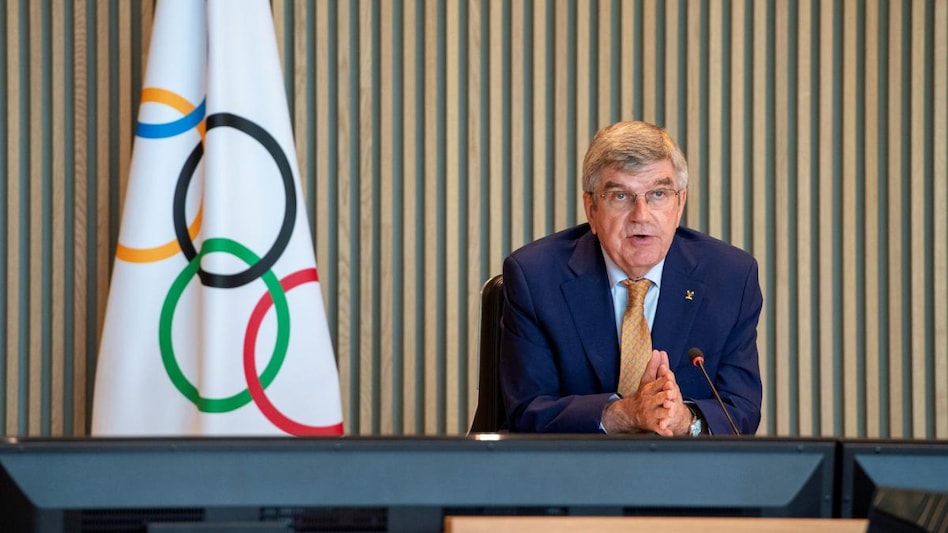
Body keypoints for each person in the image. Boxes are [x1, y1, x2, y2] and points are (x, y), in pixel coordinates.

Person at [499, 120, 762, 436]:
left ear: (679, 205)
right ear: (591, 209)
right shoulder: (536, 277)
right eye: (621, 196)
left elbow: (741, 411)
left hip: (686, 478)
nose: (641, 214)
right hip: (572, 475)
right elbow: (527, 412)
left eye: (659, 194)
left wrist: (684, 421)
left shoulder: (730, 277)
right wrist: (624, 414)